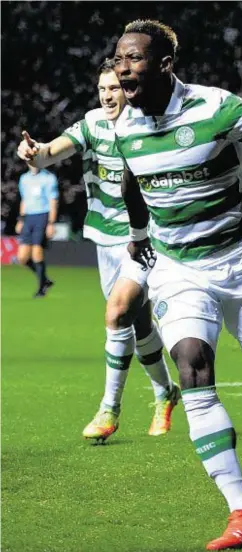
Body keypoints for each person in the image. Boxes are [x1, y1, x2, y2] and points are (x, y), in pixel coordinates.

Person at [112, 19, 242, 550]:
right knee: (192, 364)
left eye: (134, 59)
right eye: (118, 59)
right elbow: (132, 180)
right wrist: (139, 233)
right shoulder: (124, 127)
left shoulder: (218, 110)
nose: (122, 69)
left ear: (165, 65)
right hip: (180, 269)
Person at [17, 58, 180, 442]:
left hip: (140, 238)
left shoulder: (148, 125)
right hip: (104, 239)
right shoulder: (92, 123)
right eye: (102, 89)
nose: (107, 95)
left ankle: (109, 409)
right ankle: (165, 392)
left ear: (129, 90)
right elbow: (52, 152)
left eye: (115, 88)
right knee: (137, 325)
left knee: (117, 310)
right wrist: (35, 153)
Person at [15, 164, 58, 297]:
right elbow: (24, 200)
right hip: (28, 217)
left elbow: (53, 201)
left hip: (42, 215)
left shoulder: (49, 178)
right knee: (22, 257)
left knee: (37, 254)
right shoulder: (24, 178)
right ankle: (45, 280)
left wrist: (51, 223)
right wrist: (21, 219)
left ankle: (41, 289)